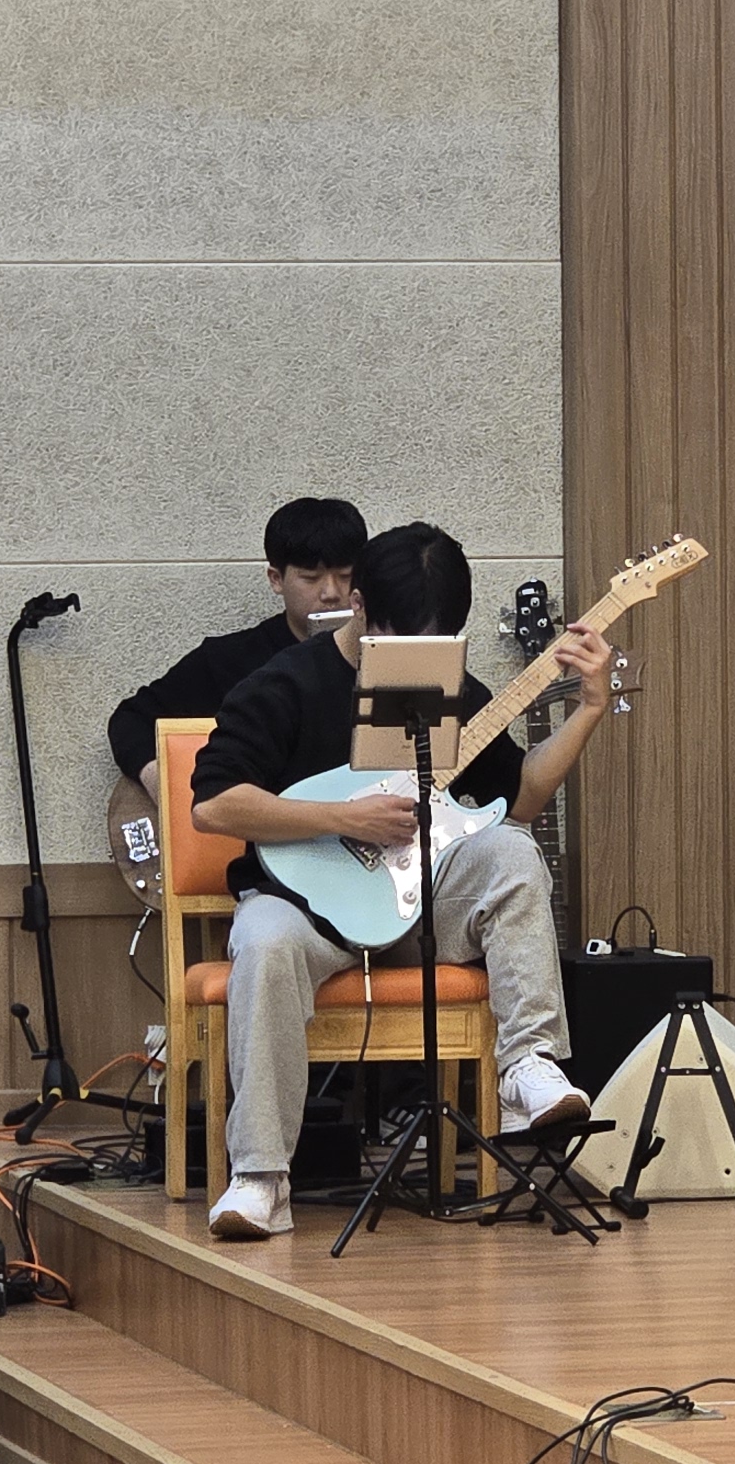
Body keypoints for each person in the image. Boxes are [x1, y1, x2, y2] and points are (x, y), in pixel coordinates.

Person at [187, 522, 609, 1241]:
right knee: (262, 940)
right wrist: (341, 817)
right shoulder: (285, 685)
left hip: (418, 909)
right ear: (357, 605)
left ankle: (527, 1066)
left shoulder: (449, 687)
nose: (417, 654)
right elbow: (215, 805)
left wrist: (589, 708)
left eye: (436, 641)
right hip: (304, 909)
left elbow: (521, 799)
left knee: (512, 851)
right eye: (399, 636)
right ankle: (261, 1177)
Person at [106, 497, 370, 818]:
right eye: (310, 578)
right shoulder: (228, 659)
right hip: (254, 833)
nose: (331, 593)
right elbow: (130, 720)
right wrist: (164, 785)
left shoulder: (382, 659)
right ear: (276, 579)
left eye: (345, 575)